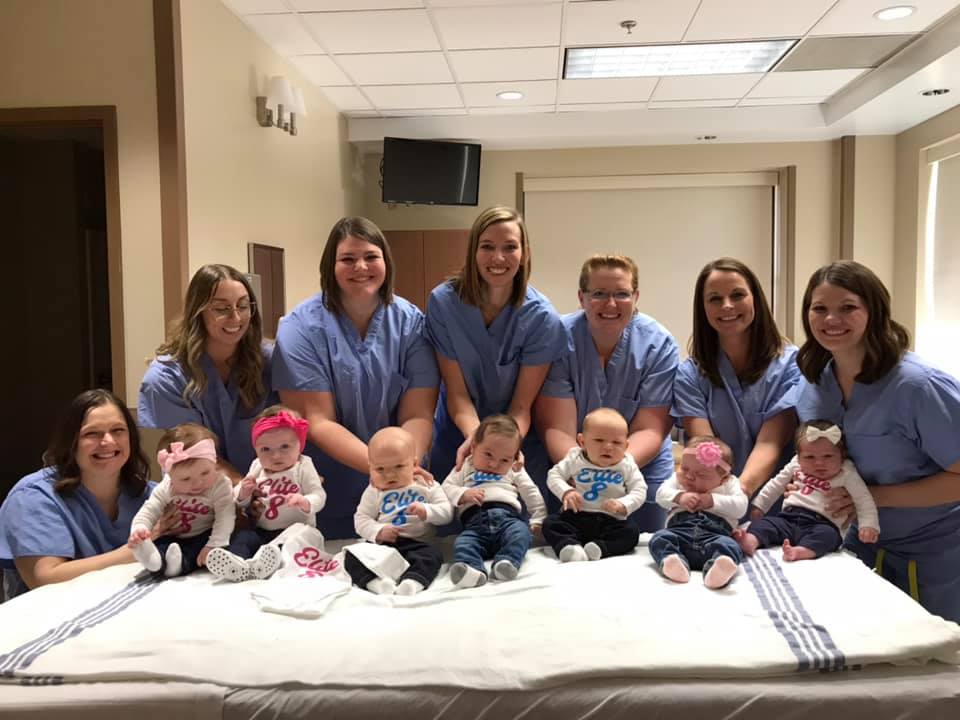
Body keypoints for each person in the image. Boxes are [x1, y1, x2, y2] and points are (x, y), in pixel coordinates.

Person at [794, 260, 960, 621]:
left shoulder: (918, 387)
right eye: (819, 308)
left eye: (848, 308)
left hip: (934, 552)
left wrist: (873, 497)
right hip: (856, 544)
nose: (831, 319)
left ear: (875, 311)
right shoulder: (812, 383)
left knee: (934, 664)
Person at [272, 217, 439, 540]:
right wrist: (386, 470)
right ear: (330, 267)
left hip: (403, 489)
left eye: (370, 257)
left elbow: (418, 413)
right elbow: (317, 420)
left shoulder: (411, 323)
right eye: (347, 259)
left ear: (386, 261)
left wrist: (406, 468)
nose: (360, 267)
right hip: (326, 488)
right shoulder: (300, 329)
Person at [425, 206, 566, 484]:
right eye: (487, 246)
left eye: (510, 247)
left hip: (514, 443)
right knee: (452, 517)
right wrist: (477, 442)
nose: (498, 258)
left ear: (524, 252)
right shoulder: (444, 303)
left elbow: (521, 406)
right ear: (473, 251)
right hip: (460, 436)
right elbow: (457, 394)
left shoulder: (542, 317)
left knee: (515, 520)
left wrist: (499, 450)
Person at [535, 254, 677, 527]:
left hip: (639, 467)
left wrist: (615, 472)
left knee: (643, 546)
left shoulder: (657, 344)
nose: (611, 304)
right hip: (573, 464)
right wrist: (584, 470)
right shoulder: (558, 339)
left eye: (622, 294)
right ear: (581, 297)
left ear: (636, 296)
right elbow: (558, 427)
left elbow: (652, 427)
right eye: (599, 293)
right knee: (568, 540)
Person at [0, 390, 164, 598]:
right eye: (92, 433)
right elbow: (45, 579)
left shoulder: (150, 494)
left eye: (118, 430)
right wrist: (133, 552)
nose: (108, 442)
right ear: (71, 442)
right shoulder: (33, 497)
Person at [672, 258, 801, 501]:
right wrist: (722, 505)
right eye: (715, 299)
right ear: (703, 308)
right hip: (714, 497)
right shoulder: (690, 375)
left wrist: (737, 497)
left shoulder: (791, 366)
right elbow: (706, 451)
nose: (727, 305)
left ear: (756, 299)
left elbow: (770, 444)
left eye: (738, 295)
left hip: (778, 502)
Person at [139, 264, 275, 478]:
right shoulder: (166, 378)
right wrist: (244, 492)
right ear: (198, 311)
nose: (236, 317)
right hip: (200, 496)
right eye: (222, 308)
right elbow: (194, 453)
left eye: (243, 306)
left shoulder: (271, 361)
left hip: (269, 493)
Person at [205, 405, 326, 582]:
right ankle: (236, 563)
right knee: (244, 537)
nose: (276, 456)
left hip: (295, 528)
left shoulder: (303, 465)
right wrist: (244, 491)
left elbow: (319, 494)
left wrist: (305, 501)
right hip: (263, 530)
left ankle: (270, 562)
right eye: (265, 450)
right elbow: (239, 501)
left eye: (285, 447)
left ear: (300, 445)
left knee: (301, 538)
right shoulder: (257, 466)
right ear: (256, 450)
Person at [735, 420, 879, 562]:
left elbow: (863, 499)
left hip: (822, 523)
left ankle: (801, 552)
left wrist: (868, 525)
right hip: (788, 518)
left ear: (842, 456)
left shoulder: (846, 472)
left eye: (828, 456)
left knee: (828, 537)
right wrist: (760, 504)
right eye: (810, 457)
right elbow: (776, 484)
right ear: (798, 456)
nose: (819, 463)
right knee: (765, 524)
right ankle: (750, 541)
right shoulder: (796, 465)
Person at [128, 423, 256, 579]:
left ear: (214, 463)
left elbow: (225, 517)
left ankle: (177, 565)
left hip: (204, 534)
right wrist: (139, 529)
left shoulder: (219, 484)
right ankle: (153, 560)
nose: (197, 483)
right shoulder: (167, 486)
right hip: (173, 535)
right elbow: (149, 509)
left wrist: (214, 544)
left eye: (205, 473)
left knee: (198, 550)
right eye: (185, 479)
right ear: (169, 475)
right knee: (161, 543)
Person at [442, 415, 547, 589]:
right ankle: (472, 570)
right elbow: (446, 488)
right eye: (488, 454)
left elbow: (531, 492)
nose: (494, 464)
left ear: (515, 457)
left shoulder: (514, 469)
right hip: (474, 524)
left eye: (504, 459)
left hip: (508, 519)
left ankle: (506, 562)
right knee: (462, 543)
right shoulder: (465, 466)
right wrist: (463, 493)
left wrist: (538, 519)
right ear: (474, 446)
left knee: (521, 534)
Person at [347, 427, 453, 596]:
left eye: (398, 466)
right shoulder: (374, 491)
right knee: (353, 557)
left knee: (432, 556)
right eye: (380, 469)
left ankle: (413, 582)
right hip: (383, 544)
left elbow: (447, 513)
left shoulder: (427, 485)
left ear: (415, 464)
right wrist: (378, 531)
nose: (389, 474)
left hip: (418, 543)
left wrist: (427, 510)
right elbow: (361, 519)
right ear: (370, 467)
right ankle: (376, 584)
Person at [542, 408, 647, 562]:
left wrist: (623, 504)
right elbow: (554, 475)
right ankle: (569, 547)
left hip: (611, 520)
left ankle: (600, 548)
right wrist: (566, 491)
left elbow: (640, 489)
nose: (608, 447)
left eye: (617, 442)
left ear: (626, 445)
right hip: (576, 515)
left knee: (631, 532)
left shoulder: (627, 465)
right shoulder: (575, 458)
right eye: (599, 440)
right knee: (550, 523)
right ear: (582, 441)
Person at [650, 437, 748, 589]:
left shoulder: (730, 484)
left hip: (715, 536)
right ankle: (672, 561)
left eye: (701, 475)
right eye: (684, 468)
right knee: (659, 538)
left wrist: (712, 500)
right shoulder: (678, 480)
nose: (688, 476)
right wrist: (679, 497)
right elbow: (660, 495)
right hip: (679, 532)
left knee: (730, 546)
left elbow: (741, 507)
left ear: (723, 478)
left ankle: (719, 567)